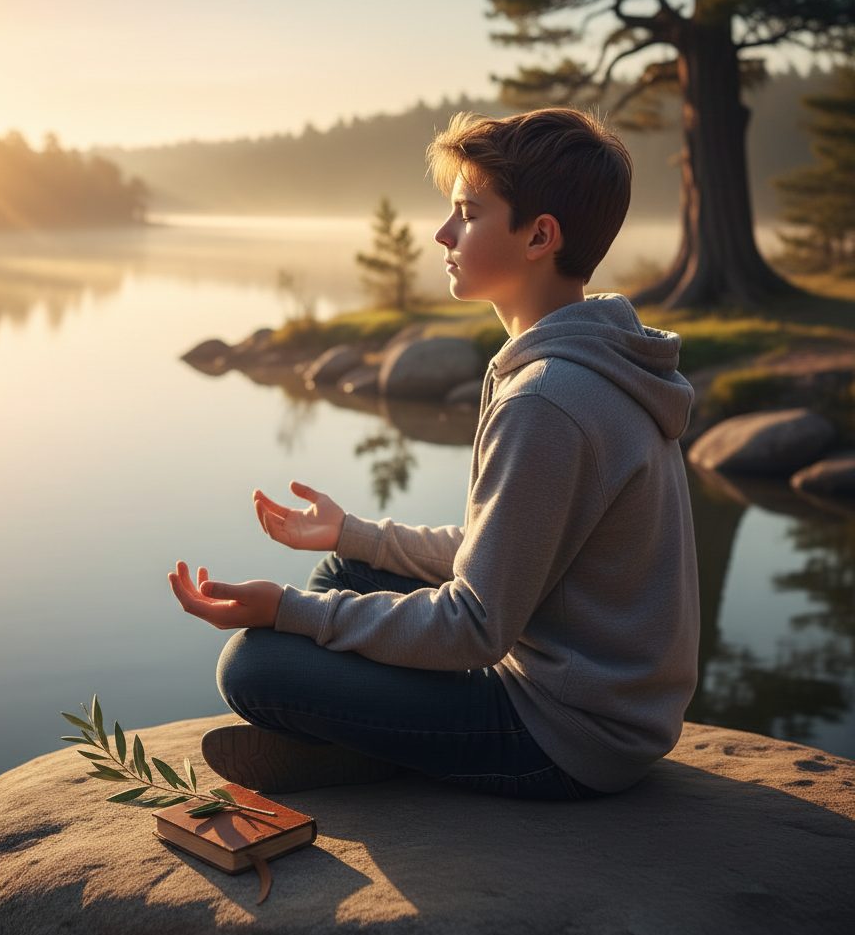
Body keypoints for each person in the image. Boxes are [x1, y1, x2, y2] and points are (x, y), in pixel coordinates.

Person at [168, 107, 700, 801]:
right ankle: (366, 738)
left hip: (568, 736)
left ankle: (360, 749)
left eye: (468, 214)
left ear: (540, 236)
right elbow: (500, 552)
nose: (443, 233)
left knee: (253, 667)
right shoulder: (587, 361)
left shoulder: (548, 399)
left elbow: (474, 626)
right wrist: (354, 533)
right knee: (347, 568)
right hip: (598, 706)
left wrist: (284, 611)